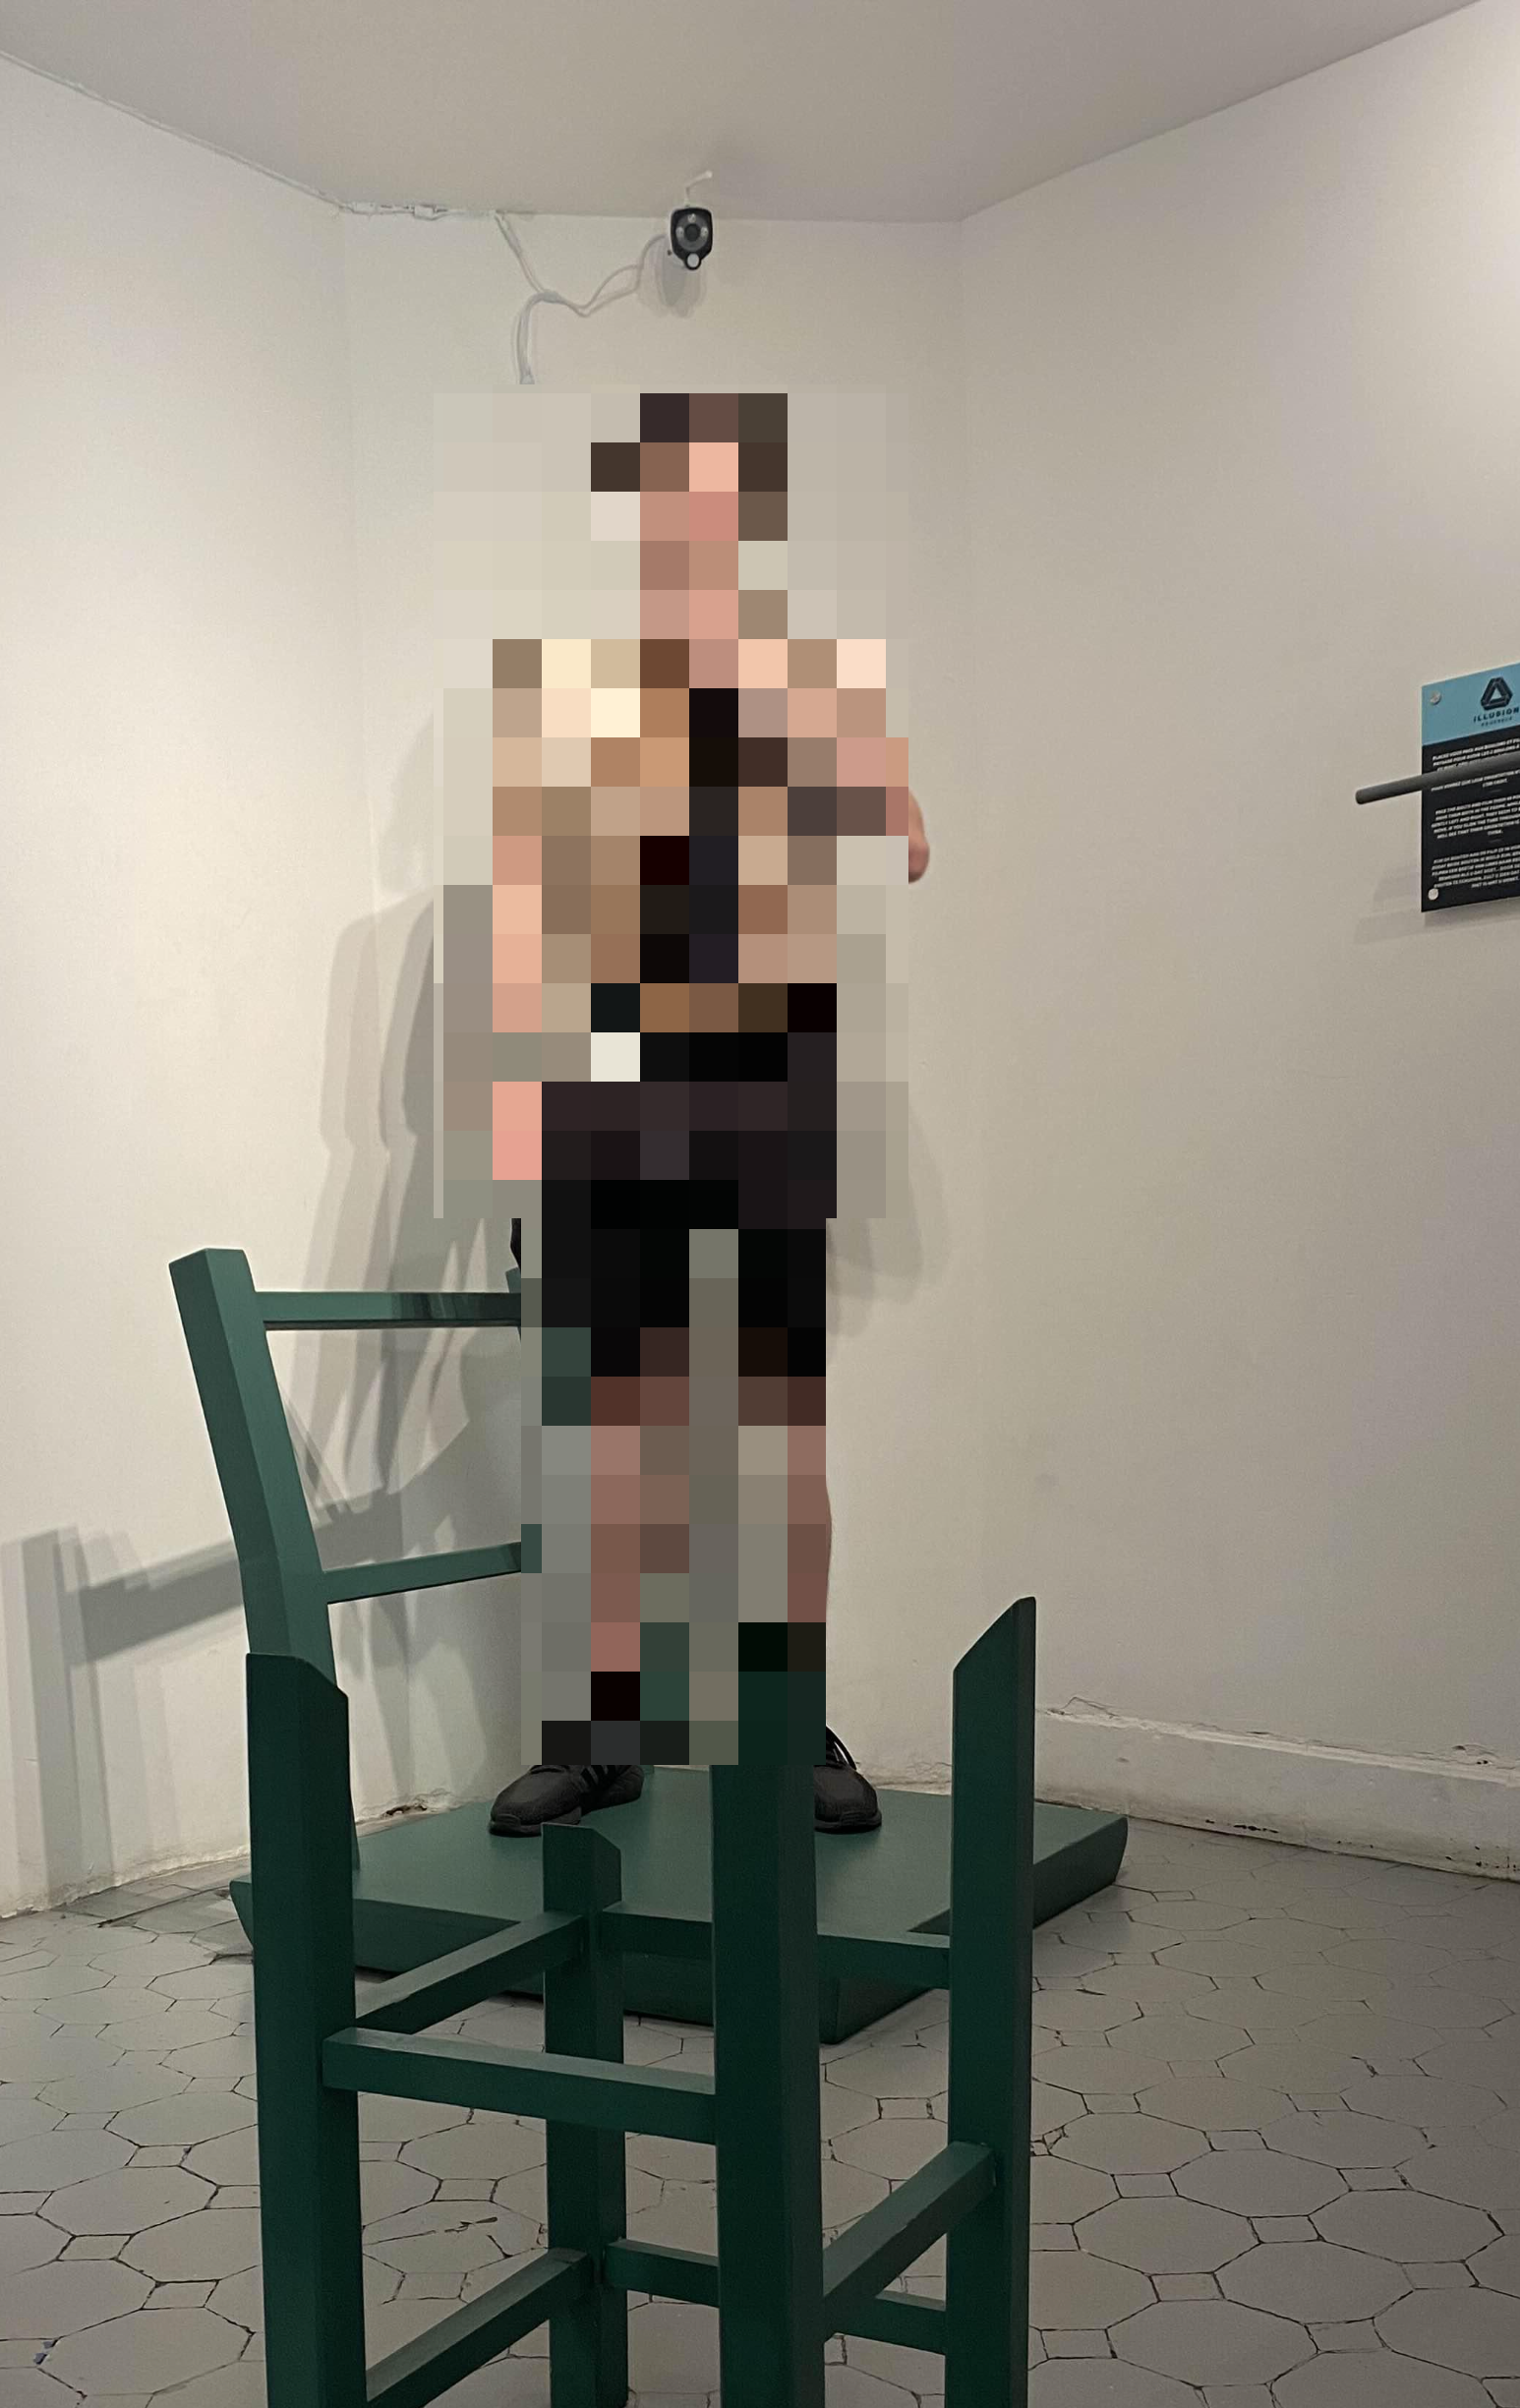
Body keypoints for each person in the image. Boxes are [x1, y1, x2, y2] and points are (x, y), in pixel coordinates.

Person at [481, 391, 926, 1840]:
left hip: (765, 1070)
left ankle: (787, 1718)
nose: (689, 527)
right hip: (619, 1073)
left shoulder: (814, 684)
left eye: (716, 499)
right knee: (615, 1434)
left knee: (773, 1432)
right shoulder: (578, 697)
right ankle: (608, 1730)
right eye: (666, 500)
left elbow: (899, 833)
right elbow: (539, 909)